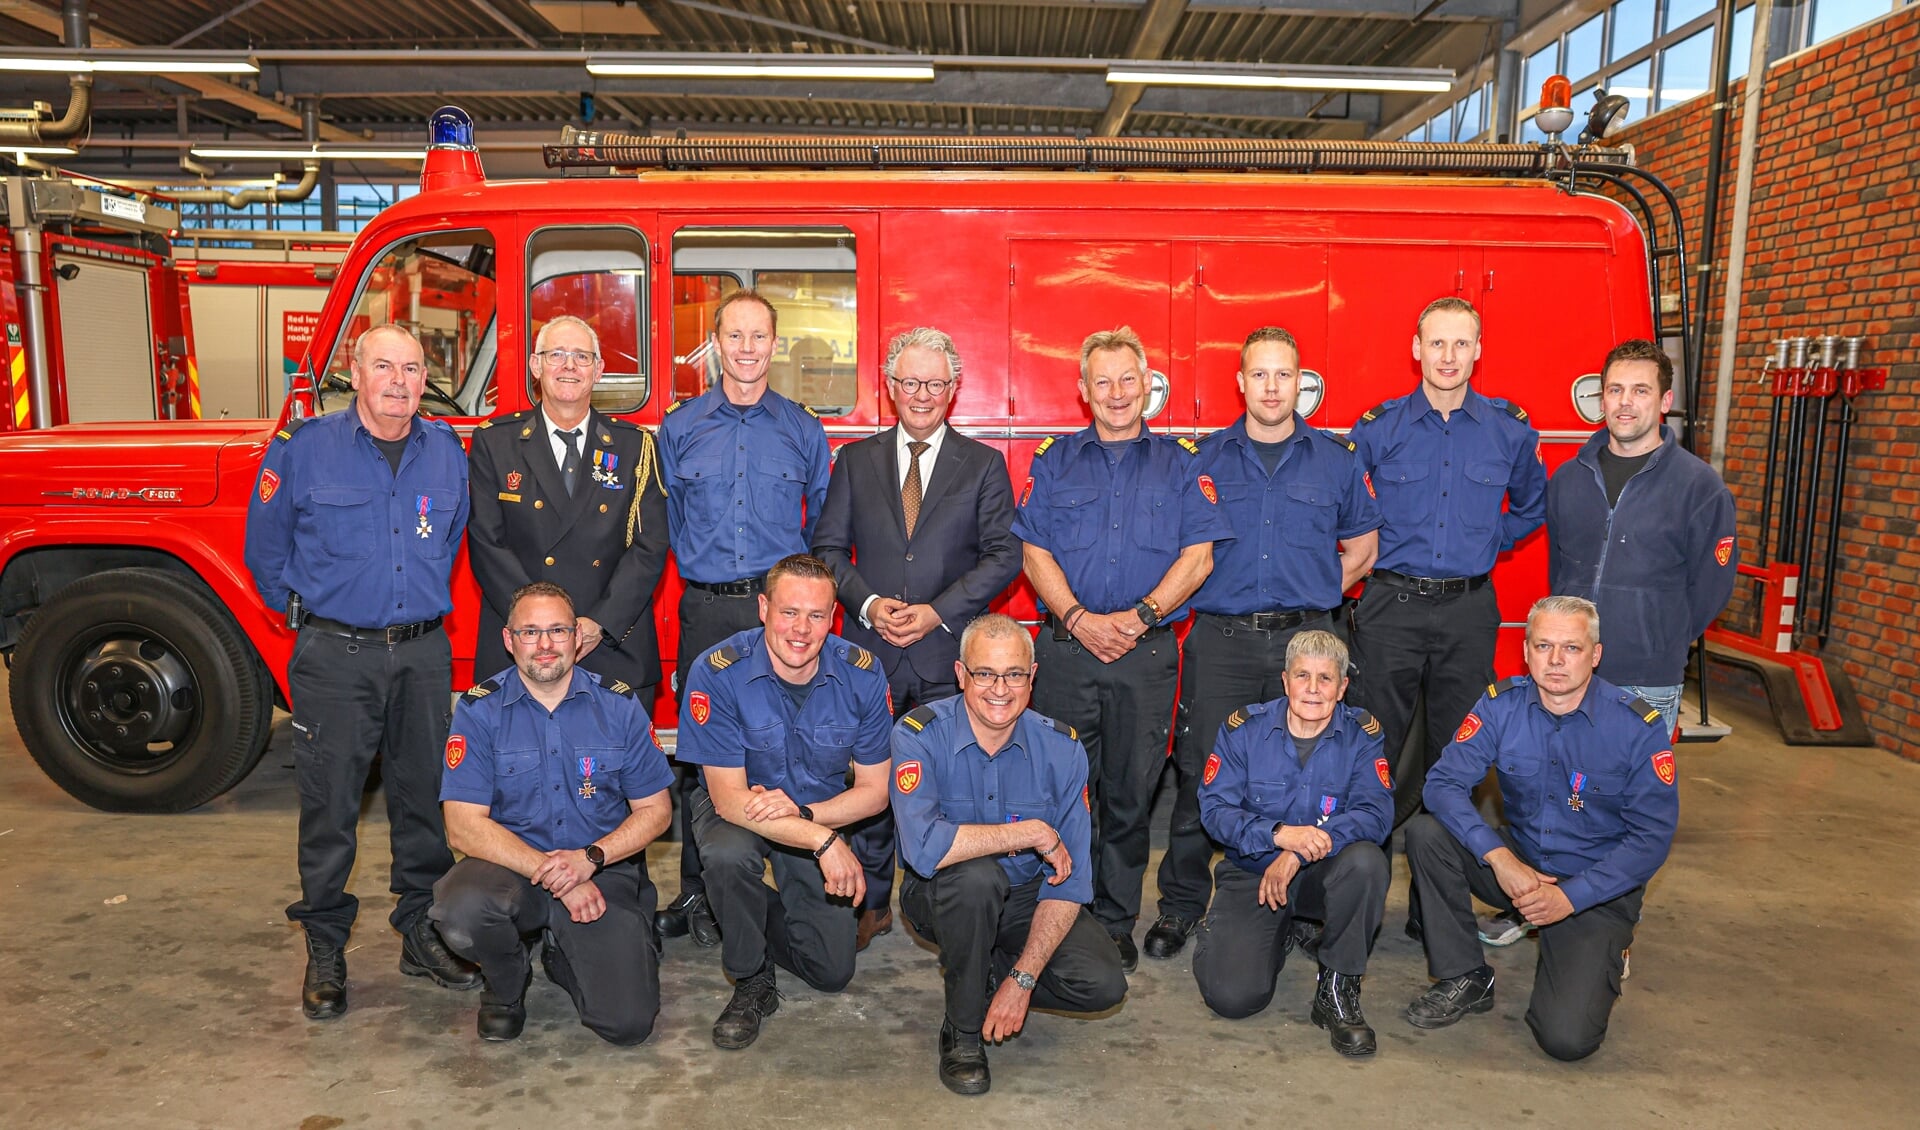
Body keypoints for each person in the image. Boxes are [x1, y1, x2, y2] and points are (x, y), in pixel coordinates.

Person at [244, 323, 480, 1019]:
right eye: (385, 366)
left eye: (412, 369)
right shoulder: (305, 450)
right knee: (331, 806)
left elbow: (454, 533)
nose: (400, 382)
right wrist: (314, 612)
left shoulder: (446, 453)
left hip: (422, 655)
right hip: (336, 657)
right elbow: (266, 551)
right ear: (356, 370)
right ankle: (324, 944)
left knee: (423, 799)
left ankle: (419, 931)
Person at [1147, 326, 1381, 961]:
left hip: (1307, 642)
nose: (1273, 387)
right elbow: (1182, 550)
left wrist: (1312, 590)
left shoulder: (1336, 459)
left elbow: (1363, 550)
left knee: (1316, 770)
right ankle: (1182, 904)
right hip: (1222, 642)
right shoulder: (1206, 459)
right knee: (1202, 773)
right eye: (1261, 375)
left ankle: (1307, 900)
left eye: (1286, 375)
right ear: (1241, 382)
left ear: (1300, 382)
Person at [1012, 326, 1233, 972]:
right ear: (1083, 391)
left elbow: (1200, 557)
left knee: (1130, 797)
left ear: (1147, 388)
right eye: (1101, 381)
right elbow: (1033, 551)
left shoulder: (1183, 462)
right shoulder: (1055, 461)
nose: (1115, 393)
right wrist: (1079, 618)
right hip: (1067, 651)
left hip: (1146, 655)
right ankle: (1057, 910)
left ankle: (1112, 921)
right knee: (1059, 790)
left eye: (1126, 380)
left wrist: (1139, 618)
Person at [813, 326, 1023, 951]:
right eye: (909, 382)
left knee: (946, 785)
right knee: (866, 782)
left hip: (943, 655)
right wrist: (870, 604)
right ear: (890, 385)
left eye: (934, 383)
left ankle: (942, 904)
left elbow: (1003, 555)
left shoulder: (983, 464)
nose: (921, 394)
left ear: (954, 389)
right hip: (867, 654)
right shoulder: (854, 460)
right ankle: (872, 904)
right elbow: (826, 547)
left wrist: (937, 612)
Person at [1402, 595, 1679, 1061]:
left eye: (1570, 648)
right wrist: (1500, 857)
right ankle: (1465, 975)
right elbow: (1443, 784)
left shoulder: (1636, 727)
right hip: (1522, 863)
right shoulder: (1500, 706)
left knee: (1566, 1041)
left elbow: (1650, 839)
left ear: (1595, 655)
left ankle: (1600, 947)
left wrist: (1569, 899)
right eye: (1543, 645)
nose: (1555, 660)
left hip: (1595, 885)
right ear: (1525, 650)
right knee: (1428, 835)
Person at [656, 289, 833, 947]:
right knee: (702, 753)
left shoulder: (802, 429)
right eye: (735, 336)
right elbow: (671, 520)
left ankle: (790, 880)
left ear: (775, 345)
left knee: (782, 745)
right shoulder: (680, 426)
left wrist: (792, 606)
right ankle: (698, 890)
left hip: (780, 615)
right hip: (707, 605)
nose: (748, 349)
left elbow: (816, 523)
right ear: (717, 342)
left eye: (760, 336)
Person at [1346, 296, 1546, 865]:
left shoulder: (1508, 431)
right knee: (1372, 747)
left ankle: (1434, 903)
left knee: (1458, 755)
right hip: (1391, 608)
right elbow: (1343, 505)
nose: (1449, 355)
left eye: (1462, 343)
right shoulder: (1380, 429)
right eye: (1437, 342)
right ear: (1417, 350)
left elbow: (1533, 505)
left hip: (1468, 610)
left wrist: (1488, 541)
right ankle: (1362, 878)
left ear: (1479, 351)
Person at [892, 614, 1127, 1095]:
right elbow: (924, 849)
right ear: (961, 675)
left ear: (1032, 676)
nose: (1000, 688)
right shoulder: (918, 734)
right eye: (985, 673)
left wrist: (1021, 979)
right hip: (943, 891)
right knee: (977, 879)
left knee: (1102, 983)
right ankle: (962, 1029)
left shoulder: (1062, 749)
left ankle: (985, 968)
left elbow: (1072, 880)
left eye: (1014, 674)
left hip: (1024, 897)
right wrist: (1031, 833)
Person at [432, 582, 674, 1043]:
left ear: (578, 638)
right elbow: (463, 828)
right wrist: (553, 872)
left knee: (628, 1025)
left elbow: (656, 810)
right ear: (508, 641)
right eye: (530, 632)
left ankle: (562, 953)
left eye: (558, 631)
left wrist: (589, 860)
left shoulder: (619, 706)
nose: (544, 645)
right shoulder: (479, 711)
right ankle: (505, 985)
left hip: (600, 869)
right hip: (511, 868)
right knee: (462, 908)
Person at [673, 554, 893, 1050]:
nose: (801, 629)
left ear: (834, 617)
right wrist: (823, 842)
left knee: (831, 970)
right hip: (739, 811)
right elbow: (728, 799)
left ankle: (737, 911)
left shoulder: (862, 674)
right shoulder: (717, 671)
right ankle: (752, 979)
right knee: (729, 855)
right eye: (789, 612)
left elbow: (877, 791)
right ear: (763, 608)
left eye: (816, 615)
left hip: (815, 809)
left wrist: (808, 816)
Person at [1192, 630, 1392, 1056]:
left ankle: (1337, 989)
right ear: (1285, 681)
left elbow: (1376, 815)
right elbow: (1214, 811)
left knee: (1367, 862)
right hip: (1254, 873)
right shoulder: (1243, 730)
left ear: (1342, 687)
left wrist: (1297, 850)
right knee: (1232, 997)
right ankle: (1278, 931)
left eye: (1326, 678)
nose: (1314, 689)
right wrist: (1280, 835)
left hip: (1324, 874)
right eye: (1303, 676)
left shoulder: (1362, 736)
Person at [466, 314, 670, 703]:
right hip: (523, 651)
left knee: (618, 764)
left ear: (599, 370)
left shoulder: (634, 446)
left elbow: (650, 547)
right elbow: (487, 545)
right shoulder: (496, 443)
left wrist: (596, 625)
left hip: (610, 643)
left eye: (582, 356)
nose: (569, 366)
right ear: (535, 365)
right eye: (556, 354)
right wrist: (540, 629)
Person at [1547, 338, 1737, 736]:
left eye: (1640, 390)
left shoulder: (1699, 487)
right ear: (1602, 399)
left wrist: (1661, 638)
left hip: (1647, 681)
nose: (1625, 402)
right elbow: (1558, 570)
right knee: (1564, 791)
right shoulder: (1568, 478)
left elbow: (1711, 589)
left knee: (1634, 796)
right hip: (1567, 673)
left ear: (1665, 401)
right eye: (1615, 390)